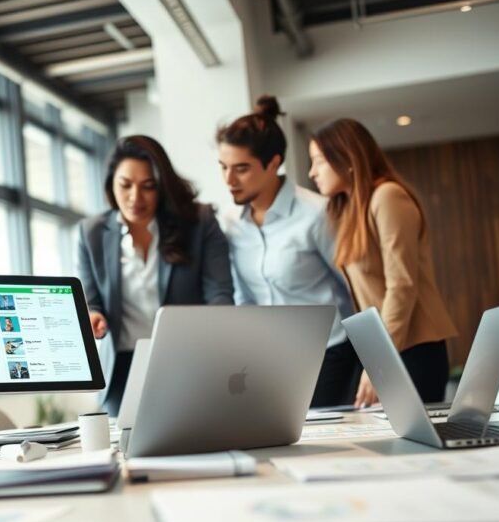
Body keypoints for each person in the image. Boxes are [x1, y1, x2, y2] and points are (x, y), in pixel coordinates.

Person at [217, 96, 360, 407]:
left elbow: (356, 290)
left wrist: (374, 365)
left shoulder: (317, 214)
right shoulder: (229, 223)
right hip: (267, 362)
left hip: (329, 355)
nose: (229, 180)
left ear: (273, 163)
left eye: (241, 169)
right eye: (224, 167)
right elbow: (244, 299)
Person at [77, 135, 234, 416]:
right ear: (111, 184)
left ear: (162, 187)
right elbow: (91, 302)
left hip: (188, 363)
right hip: (122, 370)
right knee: (125, 456)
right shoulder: (91, 233)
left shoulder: (199, 223)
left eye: (148, 187)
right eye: (125, 185)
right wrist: (93, 315)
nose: (135, 198)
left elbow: (220, 296)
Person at [308, 118, 458, 406]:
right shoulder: (350, 211)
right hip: (386, 347)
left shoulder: (387, 196)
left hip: (413, 349)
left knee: (411, 448)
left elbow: (402, 284)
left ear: (347, 158)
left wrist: (380, 360)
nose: (312, 172)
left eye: (318, 161)